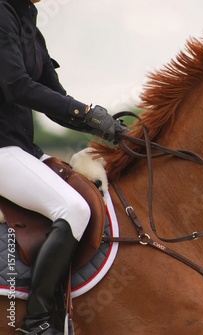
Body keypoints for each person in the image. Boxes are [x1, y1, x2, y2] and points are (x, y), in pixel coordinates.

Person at [0, 0, 125, 334]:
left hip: (22, 149)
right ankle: (37, 321)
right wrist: (85, 114)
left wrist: (104, 125)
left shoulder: (29, 24)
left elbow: (56, 101)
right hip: (2, 150)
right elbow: (17, 86)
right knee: (72, 208)